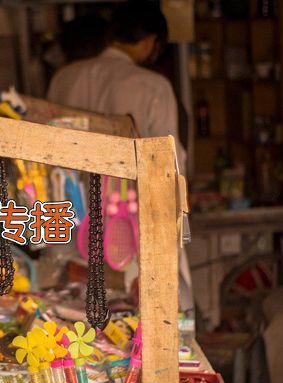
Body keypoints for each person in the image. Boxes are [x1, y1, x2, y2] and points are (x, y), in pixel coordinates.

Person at [48, 0, 192, 311]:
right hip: (130, 224)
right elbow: (172, 161)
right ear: (149, 41)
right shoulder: (152, 86)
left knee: (72, 312)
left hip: (70, 218)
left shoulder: (64, 78)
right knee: (138, 312)